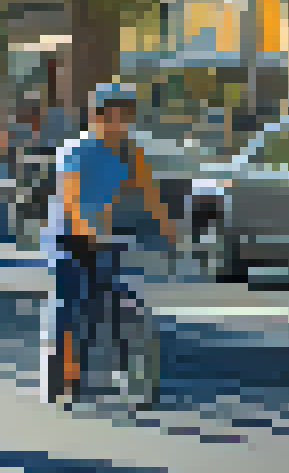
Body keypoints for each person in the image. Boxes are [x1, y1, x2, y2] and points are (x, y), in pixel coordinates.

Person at [41, 83, 183, 406]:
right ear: (95, 116)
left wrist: (169, 229)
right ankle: (63, 374)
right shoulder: (76, 150)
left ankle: (117, 373)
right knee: (71, 305)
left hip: (103, 236)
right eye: (112, 114)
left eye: (125, 115)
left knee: (103, 306)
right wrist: (84, 228)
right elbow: (71, 198)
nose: (119, 121)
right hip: (68, 236)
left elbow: (149, 192)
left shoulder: (131, 152)